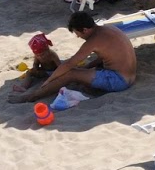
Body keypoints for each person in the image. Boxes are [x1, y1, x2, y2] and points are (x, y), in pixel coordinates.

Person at [9, 10, 138, 103]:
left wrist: (49, 81)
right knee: (82, 70)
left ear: (85, 30)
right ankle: (90, 85)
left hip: (119, 81)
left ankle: (31, 97)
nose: (78, 36)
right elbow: (107, 56)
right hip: (130, 75)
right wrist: (87, 67)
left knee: (71, 74)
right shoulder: (109, 29)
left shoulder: (93, 41)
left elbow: (69, 64)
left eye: (77, 33)